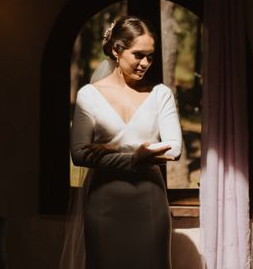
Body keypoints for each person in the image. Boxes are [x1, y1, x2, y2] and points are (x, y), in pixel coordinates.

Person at [66, 15, 183, 269]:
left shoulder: (160, 94)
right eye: (139, 55)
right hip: (104, 203)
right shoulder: (89, 95)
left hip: (149, 202)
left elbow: (174, 149)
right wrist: (135, 157)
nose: (145, 63)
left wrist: (114, 149)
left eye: (150, 57)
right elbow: (78, 153)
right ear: (117, 50)